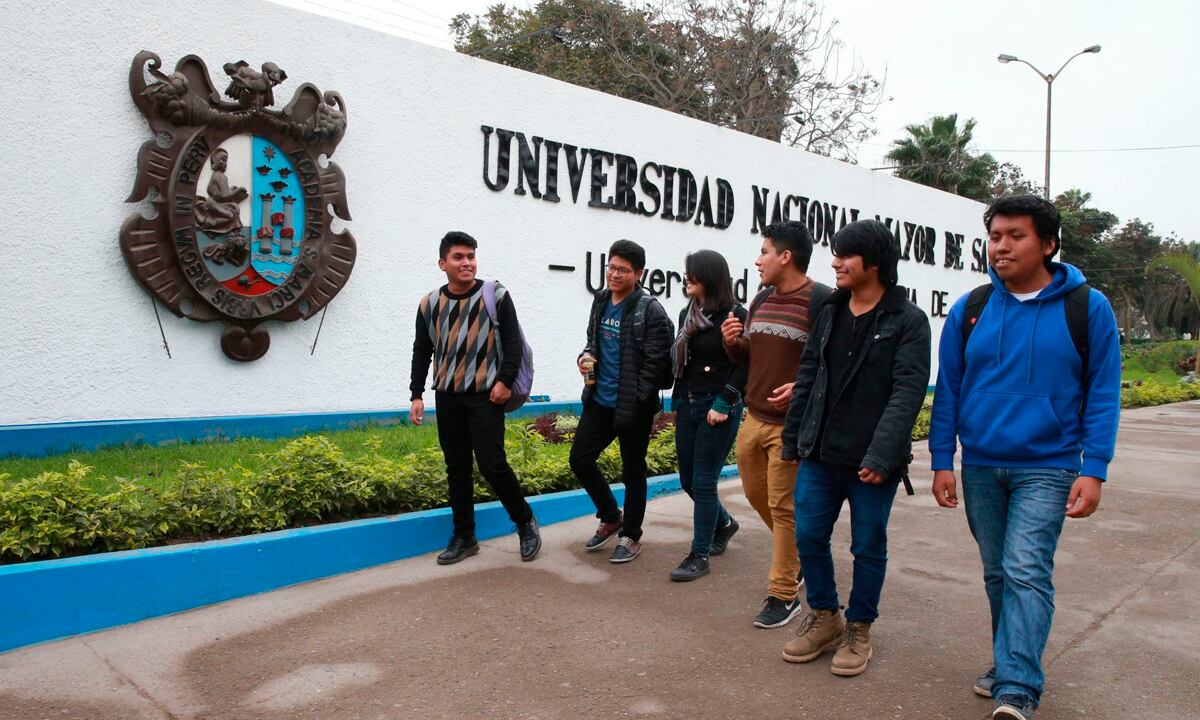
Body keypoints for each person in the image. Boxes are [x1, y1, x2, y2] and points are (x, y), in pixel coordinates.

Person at [929, 195, 1121, 720]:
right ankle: (1007, 657)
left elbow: (1103, 391)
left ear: (1049, 244)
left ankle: (1017, 686)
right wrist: (942, 459)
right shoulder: (972, 309)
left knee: (1025, 569)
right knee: (998, 573)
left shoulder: (1088, 308)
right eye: (995, 236)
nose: (1002, 246)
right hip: (983, 466)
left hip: (1051, 464)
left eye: (1016, 236)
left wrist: (1094, 468)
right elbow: (949, 388)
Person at [779, 220, 930, 677]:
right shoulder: (829, 310)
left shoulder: (908, 320)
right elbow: (809, 375)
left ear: (875, 263)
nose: (835, 262)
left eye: (845, 255)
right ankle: (826, 616)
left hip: (871, 463)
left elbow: (907, 393)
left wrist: (882, 455)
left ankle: (859, 626)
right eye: (835, 253)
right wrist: (793, 438)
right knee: (808, 536)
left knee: (867, 545)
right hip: (821, 453)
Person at [721, 221, 832, 628]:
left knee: (783, 508)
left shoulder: (822, 301)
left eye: (764, 251)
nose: (758, 259)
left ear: (786, 256)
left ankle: (783, 594)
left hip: (792, 425)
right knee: (755, 496)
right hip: (753, 417)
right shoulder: (762, 298)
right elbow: (751, 358)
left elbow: (834, 363)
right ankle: (799, 557)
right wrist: (734, 342)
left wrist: (802, 386)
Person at [409, 231, 541, 566]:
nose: (466, 263)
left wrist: (505, 381)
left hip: (487, 395)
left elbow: (512, 341)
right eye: (458, 257)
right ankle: (465, 536)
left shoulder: (494, 294)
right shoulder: (429, 304)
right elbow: (422, 350)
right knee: (457, 469)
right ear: (443, 264)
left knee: (492, 464)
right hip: (448, 396)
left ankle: (525, 522)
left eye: (470, 256)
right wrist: (416, 393)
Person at [571, 239, 674, 563]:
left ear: (638, 273)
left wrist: (639, 397)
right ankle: (610, 516)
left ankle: (630, 535)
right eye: (611, 267)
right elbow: (592, 342)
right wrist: (585, 356)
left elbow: (658, 365)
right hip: (599, 400)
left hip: (633, 406)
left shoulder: (650, 310)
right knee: (580, 459)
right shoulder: (601, 301)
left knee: (633, 472)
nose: (614, 274)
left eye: (622, 270)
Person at [668, 250, 748, 582]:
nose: (687, 278)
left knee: (703, 482)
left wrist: (725, 401)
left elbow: (746, 363)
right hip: (687, 402)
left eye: (694, 274)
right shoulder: (689, 313)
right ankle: (725, 523)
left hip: (717, 406)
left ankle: (699, 554)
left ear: (710, 277)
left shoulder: (736, 314)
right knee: (687, 480)